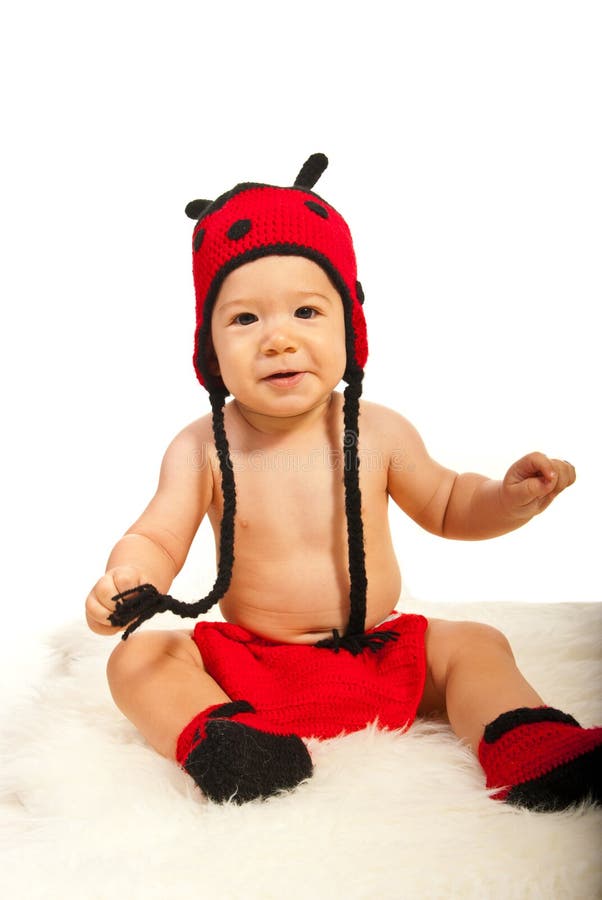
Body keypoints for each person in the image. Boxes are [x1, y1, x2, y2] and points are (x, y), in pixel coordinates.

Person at [85, 153, 601, 809]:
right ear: (210, 348)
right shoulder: (201, 446)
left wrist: (506, 499)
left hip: (378, 653)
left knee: (474, 642)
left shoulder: (378, 430)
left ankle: (525, 742)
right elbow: (158, 534)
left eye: (306, 311)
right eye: (245, 319)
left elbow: (447, 504)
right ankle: (228, 740)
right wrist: (130, 580)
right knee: (137, 659)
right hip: (251, 666)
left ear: (351, 328)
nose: (278, 339)